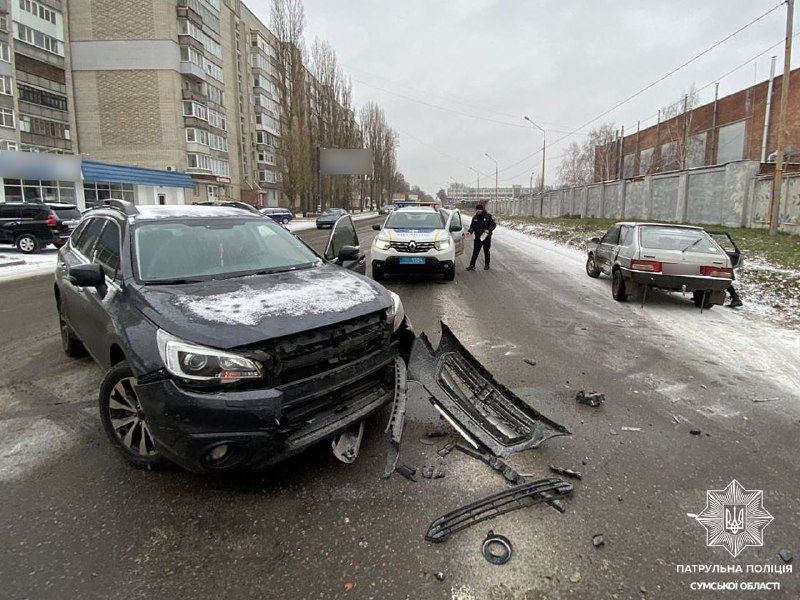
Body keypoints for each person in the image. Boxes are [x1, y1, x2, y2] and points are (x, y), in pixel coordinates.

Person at [465, 204, 496, 271]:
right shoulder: (475, 218)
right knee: (475, 251)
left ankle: (487, 265)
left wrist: (488, 230)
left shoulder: (488, 216)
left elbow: (493, 225)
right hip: (478, 238)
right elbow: (472, 227)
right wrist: (469, 232)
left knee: (486, 251)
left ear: (482, 210)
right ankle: (472, 265)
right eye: (477, 209)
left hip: (486, 237)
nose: (478, 211)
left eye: (479, 209)